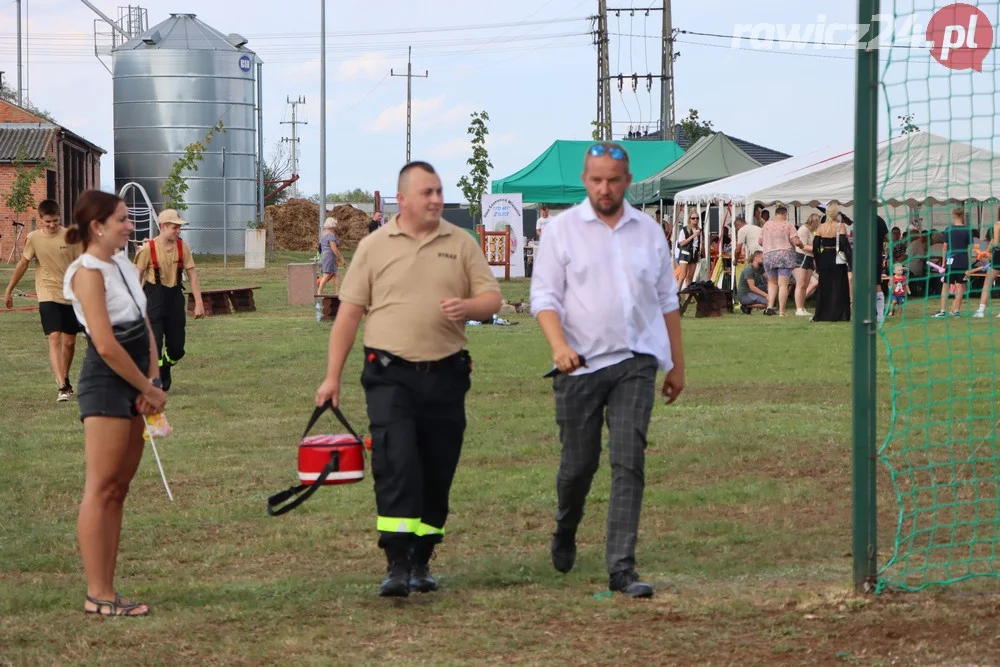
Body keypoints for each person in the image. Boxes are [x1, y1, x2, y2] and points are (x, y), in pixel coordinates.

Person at [314, 161, 502, 598]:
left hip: (446, 375)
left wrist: (469, 309)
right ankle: (397, 562)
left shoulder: (461, 243)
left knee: (437, 468)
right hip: (389, 376)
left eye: (439, 191)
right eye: (427, 192)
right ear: (403, 198)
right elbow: (348, 314)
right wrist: (331, 378)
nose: (436, 199)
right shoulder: (375, 247)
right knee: (397, 463)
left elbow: (490, 298)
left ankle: (423, 559)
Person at [530, 142, 686, 599]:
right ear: (585, 180)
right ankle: (565, 527)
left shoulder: (648, 231)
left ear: (627, 181)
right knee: (578, 466)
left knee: (628, 459)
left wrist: (675, 363)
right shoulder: (561, 231)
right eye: (597, 180)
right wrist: (558, 346)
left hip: (635, 362)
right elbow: (544, 299)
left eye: (614, 180)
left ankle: (622, 567)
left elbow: (667, 301)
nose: (605, 188)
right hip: (577, 366)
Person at [63, 190, 167, 617]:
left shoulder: (122, 261)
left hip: (138, 381)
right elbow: (105, 344)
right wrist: (145, 383)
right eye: (123, 219)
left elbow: (143, 322)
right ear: (98, 226)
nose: (130, 225)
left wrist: (154, 378)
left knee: (119, 490)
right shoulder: (87, 272)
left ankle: (107, 589)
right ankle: (98, 594)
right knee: (100, 487)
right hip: (107, 383)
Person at [4, 200, 83, 401]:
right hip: (47, 293)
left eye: (55, 221)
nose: (51, 225)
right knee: (54, 336)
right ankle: (62, 386)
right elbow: (23, 264)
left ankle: (65, 377)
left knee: (70, 341)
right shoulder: (34, 238)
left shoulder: (71, 237)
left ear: (59, 218)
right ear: (41, 220)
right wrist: (9, 290)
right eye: (47, 222)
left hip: (70, 294)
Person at [133, 209, 204, 391]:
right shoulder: (148, 249)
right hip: (153, 300)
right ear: (163, 227)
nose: (178, 231)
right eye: (175, 227)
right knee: (154, 344)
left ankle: (165, 366)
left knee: (177, 349)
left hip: (174, 299)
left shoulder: (183, 248)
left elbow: (193, 276)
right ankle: (154, 382)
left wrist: (199, 304)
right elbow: (136, 278)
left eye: (179, 228)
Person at [760, 205, 805, 316]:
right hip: (785, 255)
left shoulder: (766, 225)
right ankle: (781, 311)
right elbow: (795, 241)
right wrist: (801, 244)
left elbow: (760, 241)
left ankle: (769, 307)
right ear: (785, 214)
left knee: (772, 282)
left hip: (769, 256)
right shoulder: (788, 225)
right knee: (783, 285)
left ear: (776, 214)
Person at [811, 204, 852, 322]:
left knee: (825, 286)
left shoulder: (820, 227)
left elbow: (815, 246)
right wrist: (850, 261)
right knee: (839, 286)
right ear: (836, 214)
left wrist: (818, 261)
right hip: (837, 258)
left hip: (824, 258)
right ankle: (840, 314)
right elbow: (845, 245)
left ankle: (823, 314)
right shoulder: (841, 226)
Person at [933, 208, 971, 318]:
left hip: (951, 260)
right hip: (962, 260)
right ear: (963, 215)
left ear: (953, 215)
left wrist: (943, 262)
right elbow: (968, 248)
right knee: (959, 285)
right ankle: (957, 312)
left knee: (946, 285)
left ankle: (943, 311)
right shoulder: (967, 230)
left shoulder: (949, 229)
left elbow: (945, 246)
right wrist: (967, 263)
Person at [792, 214, 820, 317]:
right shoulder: (803, 230)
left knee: (805, 284)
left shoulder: (813, 232)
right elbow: (802, 246)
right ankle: (798, 308)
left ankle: (802, 307)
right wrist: (816, 249)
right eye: (816, 223)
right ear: (812, 222)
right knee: (801, 283)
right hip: (801, 257)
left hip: (809, 257)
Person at [973, 210, 1000, 318]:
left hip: (998, 254)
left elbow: (996, 242)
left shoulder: (997, 225)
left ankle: (981, 310)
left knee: (988, 282)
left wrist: (989, 252)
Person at [317, 217, 345, 294]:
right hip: (329, 256)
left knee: (336, 274)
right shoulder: (331, 234)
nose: (336, 226)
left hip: (325, 255)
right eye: (335, 224)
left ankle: (337, 293)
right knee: (326, 275)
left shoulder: (324, 233)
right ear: (332, 225)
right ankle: (319, 292)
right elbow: (334, 248)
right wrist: (341, 257)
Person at [676, 212, 701, 290]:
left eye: (697, 218)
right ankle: (676, 295)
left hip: (694, 254)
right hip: (685, 254)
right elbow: (682, 243)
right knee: (682, 275)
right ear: (689, 219)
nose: (695, 220)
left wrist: (700, 252)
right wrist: (692, 236)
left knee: (690, 276)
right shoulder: (684, 230)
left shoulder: (699, 230)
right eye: (693, 218)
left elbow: (698, 243)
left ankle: (688, 297)